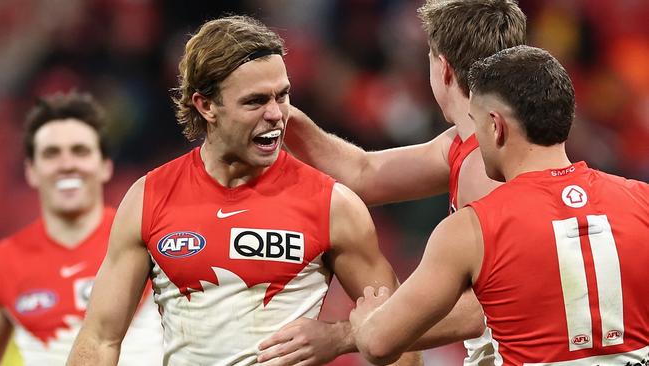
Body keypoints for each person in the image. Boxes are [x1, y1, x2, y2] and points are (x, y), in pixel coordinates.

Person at [66, 15, 420, 366]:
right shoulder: (149, 198)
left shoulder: (333, 205)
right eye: (255, 101)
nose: (276, 115)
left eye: (282, 97)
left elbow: (400, 344)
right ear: (205, 106)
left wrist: (340, 336)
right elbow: (99, 339)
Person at [259, 0, 526, 365]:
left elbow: (486, 306)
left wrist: (343, 336)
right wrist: (282, 114)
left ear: (443, 68)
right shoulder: (470, 143)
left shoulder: (487, 165)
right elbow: (362, 173)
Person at [349, 45, 649, 365]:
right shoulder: (642, 200)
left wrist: (364, 320)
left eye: (475, 124)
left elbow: (378, 342)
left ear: (496, 125)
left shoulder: (472, 228)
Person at [0, 91, 163, 366]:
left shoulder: (148, 237)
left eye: (80, 151)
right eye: (51, 153)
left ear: (105, 166)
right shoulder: (4, 261)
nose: (67, 164)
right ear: (31, 169)